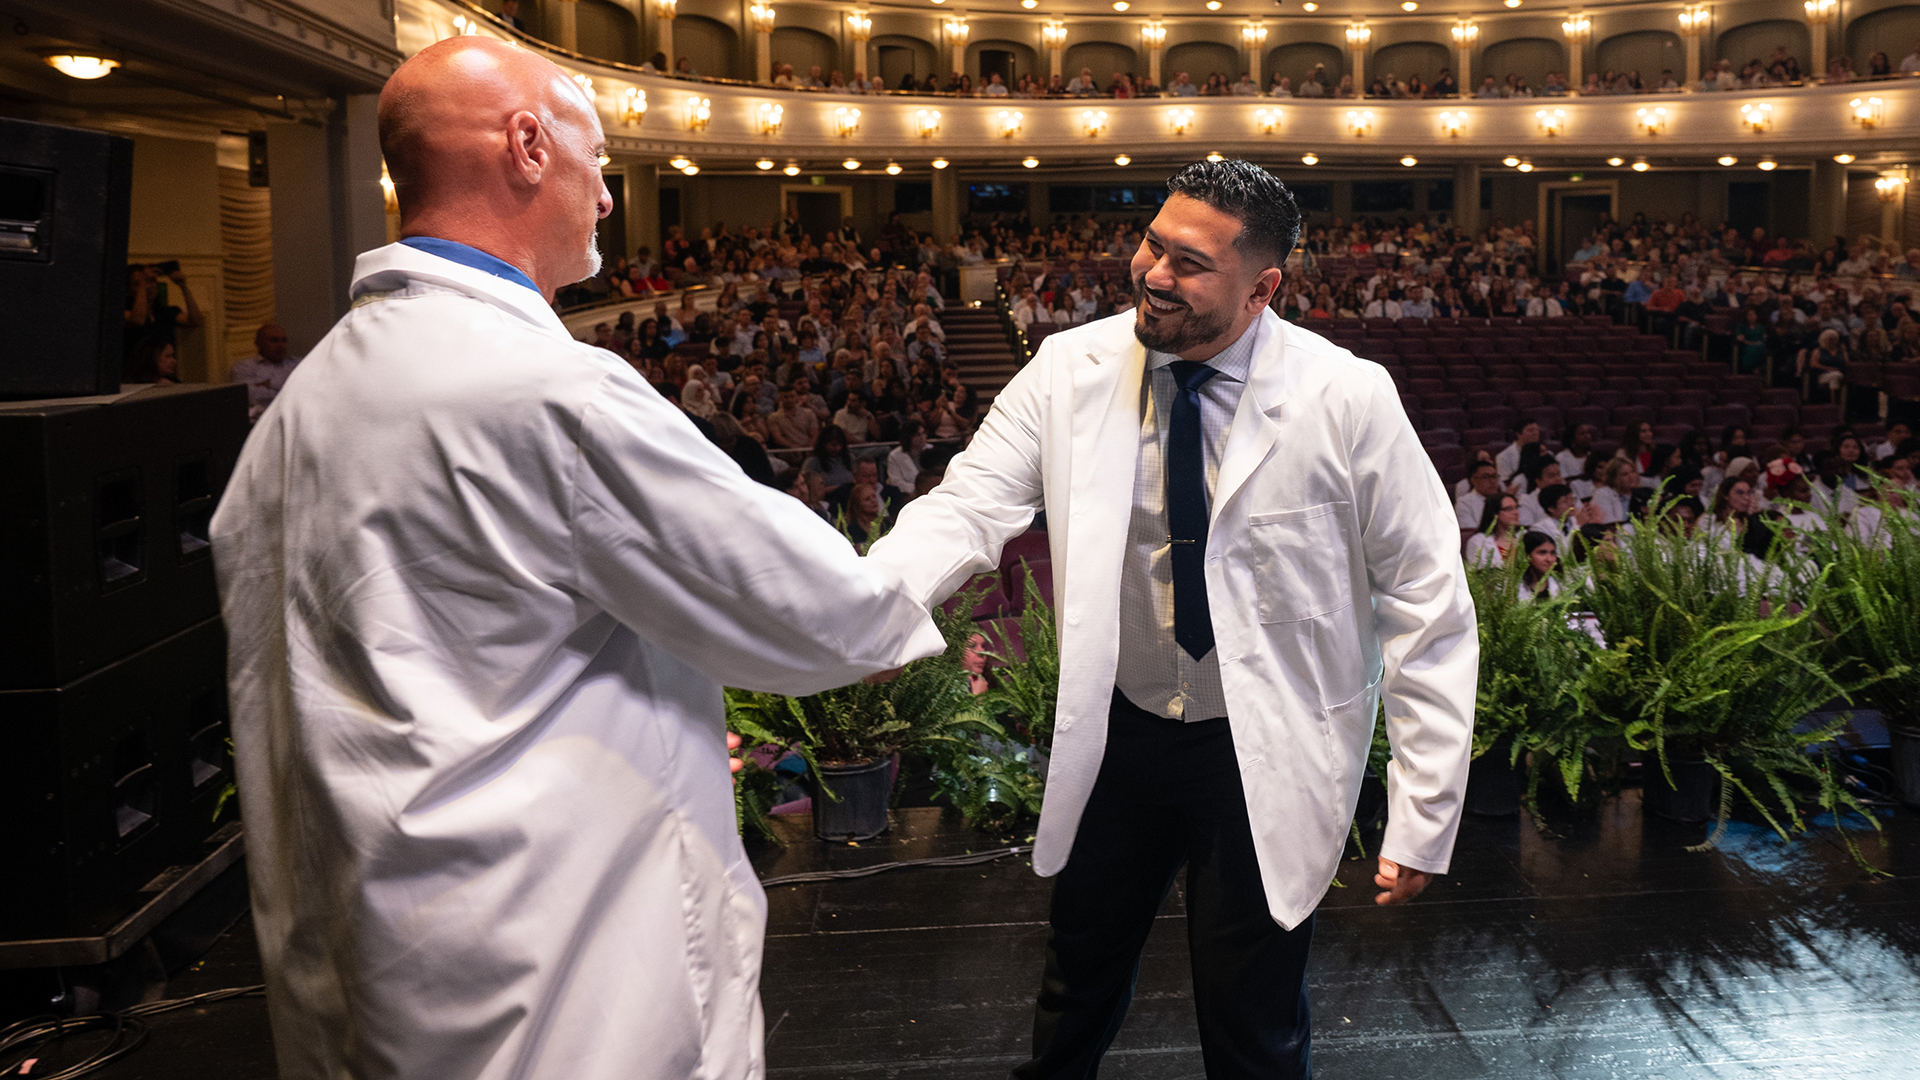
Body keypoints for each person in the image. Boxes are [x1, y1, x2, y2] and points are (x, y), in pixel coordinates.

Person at [206, 38, 945, 1080]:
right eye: (596, 160)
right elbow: (829, 614)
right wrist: (967, 516)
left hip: (372, 959)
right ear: (527, 146)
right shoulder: (549, 391)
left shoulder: (302, 407)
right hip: (549, 971)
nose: (604, 196)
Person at [867, 160, 1476, 1079]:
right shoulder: (1067, 369)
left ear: (1262, 289)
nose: (1153, 273)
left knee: (1252, 1016)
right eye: (1153, 244)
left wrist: (1424, 810)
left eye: (1190, 264)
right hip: (1124, 728)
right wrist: (875, 605)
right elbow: (968, 505)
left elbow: (1427, 598)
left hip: (1263, 742)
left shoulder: (1347, 395)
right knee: (1076, 976)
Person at [229, 322, 301, 423]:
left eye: (284, 340)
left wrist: (269, 384)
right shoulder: (244, 367)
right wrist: (286, 388)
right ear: (258, 343)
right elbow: (249, 397)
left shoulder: (297, 365)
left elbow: (305, 394)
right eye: (274, 340)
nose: (280, 345)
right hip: (260, 421)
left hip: (293, 419)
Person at [1466, 492, 1523, 567]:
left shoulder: (1525, 537)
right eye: (1509, 509)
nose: (1516, 513)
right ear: (1495, 514)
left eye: (1516, 508)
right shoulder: (1479, 541)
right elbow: (1475, 571)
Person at [1517, 530, 1562, 599]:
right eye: (1542, 553)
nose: (1549, 559)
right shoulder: (1513, 586)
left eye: (1552, 553)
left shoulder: (1561, 585)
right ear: (1526, 555)